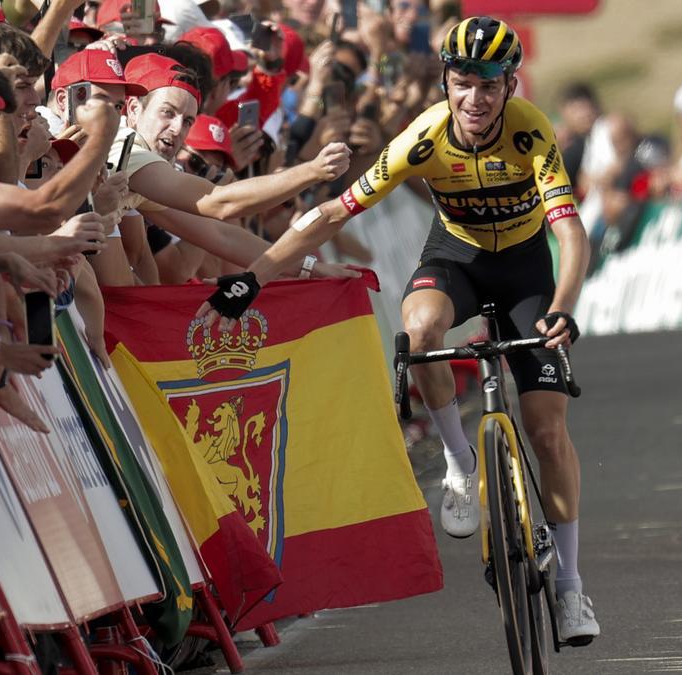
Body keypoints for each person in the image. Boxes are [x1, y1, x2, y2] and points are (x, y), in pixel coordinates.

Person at [198, 16, 600, 644]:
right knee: (418, 332)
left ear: (510, 85)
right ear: (445, 80)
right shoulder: (422, 137)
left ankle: (573, 588)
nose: (474, 99)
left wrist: (565, 307)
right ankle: (459, 462)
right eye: (463, 83)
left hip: (525, 273)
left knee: (548, 430)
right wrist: (252, 278)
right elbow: (331, 213)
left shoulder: (531, 132)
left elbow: (570, 231)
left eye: (490, 86)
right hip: (458, 258)